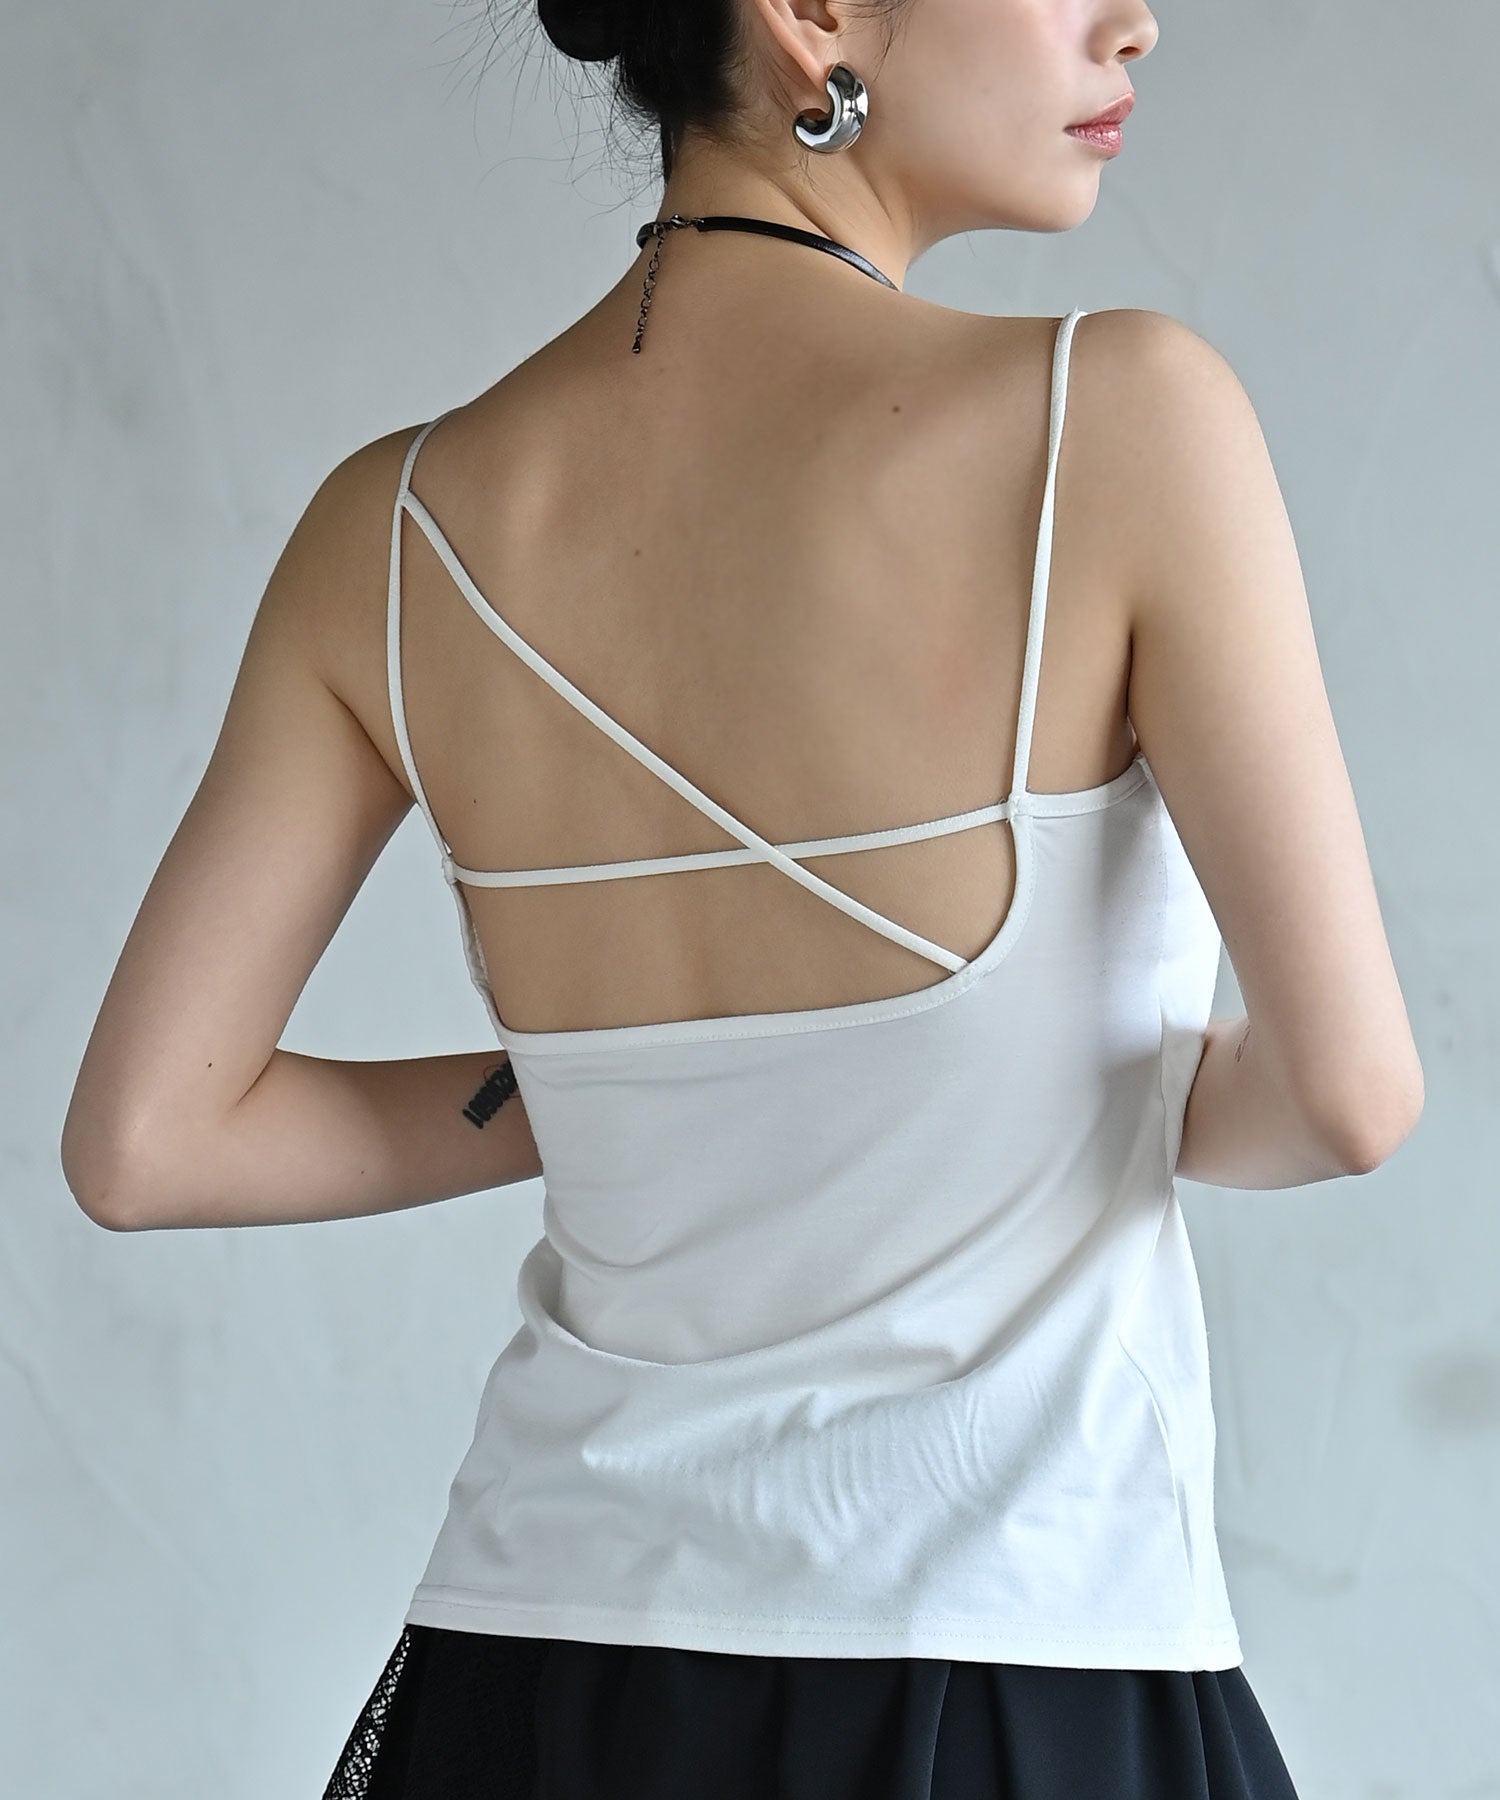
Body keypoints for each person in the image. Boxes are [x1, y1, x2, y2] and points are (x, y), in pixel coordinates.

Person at [61, 0, 1425, 1792]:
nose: (1133, 23)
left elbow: (150, 1142)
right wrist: (1022, 1082)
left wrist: (615, 1098)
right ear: (814, 15)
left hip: (533, 1686)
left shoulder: (390, 529)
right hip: (1001, 1673)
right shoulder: (1120, 418)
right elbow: (1347, 1099)